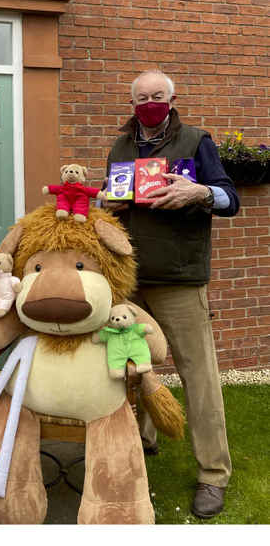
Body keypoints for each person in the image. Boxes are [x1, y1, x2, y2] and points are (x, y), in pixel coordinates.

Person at [98, 69, 239, 519]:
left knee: (198, 377)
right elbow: (110, 201)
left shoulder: (197, 141)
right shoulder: (120, 147)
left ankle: (213, 474)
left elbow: (231, 199)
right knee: (129, 368)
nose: (150, 103)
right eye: (142, 97)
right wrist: (106, 203)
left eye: (157, 96)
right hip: (130, 280)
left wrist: (202, 192)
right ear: (132, 103)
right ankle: (141, 442)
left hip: (179, 278)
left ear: (173, 98)